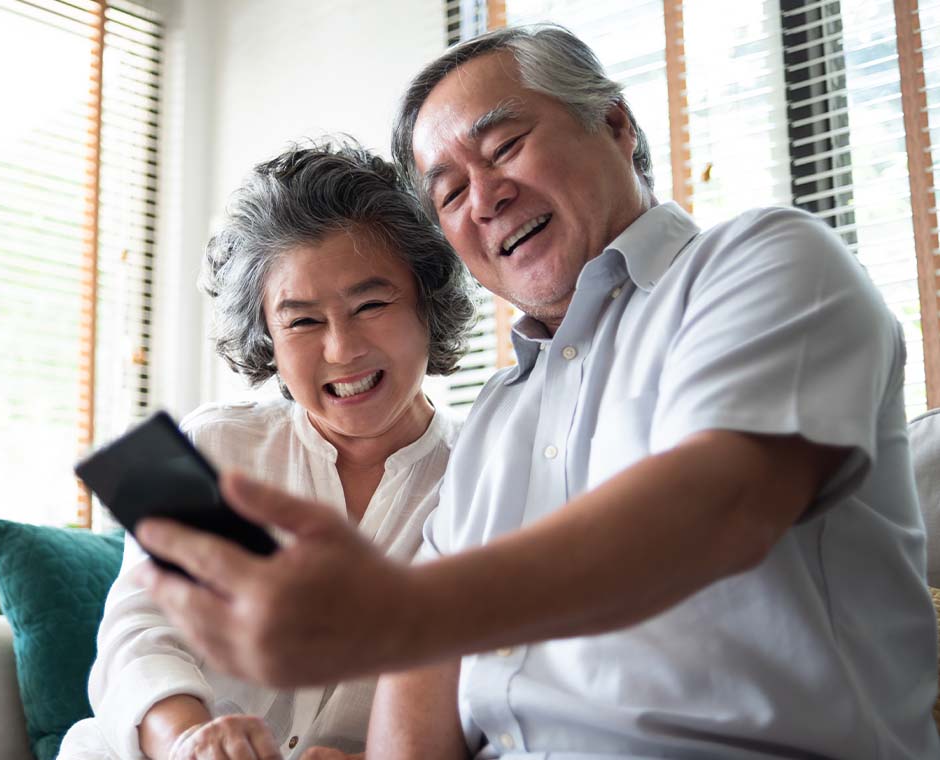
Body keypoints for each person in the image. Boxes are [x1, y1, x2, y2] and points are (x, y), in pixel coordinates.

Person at [134, 24, 940, 760]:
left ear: (617, 126)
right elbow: (413, 682)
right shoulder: (496, 416)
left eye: (506, 146)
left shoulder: (762, 262)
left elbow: (719, 506)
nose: (483, 199)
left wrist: (392, 610)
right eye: (449, 191)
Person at [56, 140, 476, 760]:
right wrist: (192, 741)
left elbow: (500, 688)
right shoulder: (207, 442)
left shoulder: (486, 469)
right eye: (302, 321)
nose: (341, 349)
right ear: (267, 338)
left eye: (371, 305)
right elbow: (140, 633)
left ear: (427, 305)